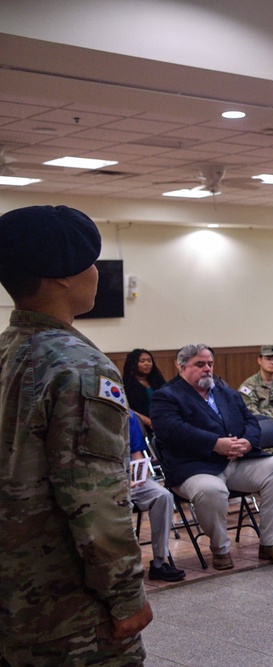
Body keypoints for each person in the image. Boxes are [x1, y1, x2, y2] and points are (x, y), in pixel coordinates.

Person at [0, 205, 152, 665]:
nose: (95, 274)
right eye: (90, 263)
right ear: (61, 276)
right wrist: (126, 596)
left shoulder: (8, 352)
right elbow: (94, 500)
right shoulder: (79, 365)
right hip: (66, 606)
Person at [150, 343, 273, 570]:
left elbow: (250, 420)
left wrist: (248, 443)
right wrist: (215, 444)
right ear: (181, 366)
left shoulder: (225, 392)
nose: (207, 369)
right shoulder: (166, 396)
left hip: (236, 461)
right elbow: (173, 431)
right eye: (200, 364)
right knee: (212, 490)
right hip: (194, 467)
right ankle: (220, 549)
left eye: (210, 363)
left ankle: (272, 543)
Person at [126, 410, 185, 582]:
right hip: (102, 479)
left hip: (128, 474)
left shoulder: (128, 416)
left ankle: (160, 561)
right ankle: (125, 566)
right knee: (120, 504)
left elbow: (136, 455)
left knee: (163, 496)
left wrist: (138, 478)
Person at [238, 344, 273, 420]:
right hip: (259, 426)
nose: (272, 362)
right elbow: (249, 411)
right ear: (260, 360)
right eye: (268, 359)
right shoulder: (248, 386)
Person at [122, 348, 166, 432]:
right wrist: (148, 422)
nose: (147, 364)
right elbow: (125, 408)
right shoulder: (125, 385)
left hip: (162, 423)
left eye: (149, 361)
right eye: (142, 361)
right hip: (137, 427)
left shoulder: (158, 382)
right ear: (132, 364)